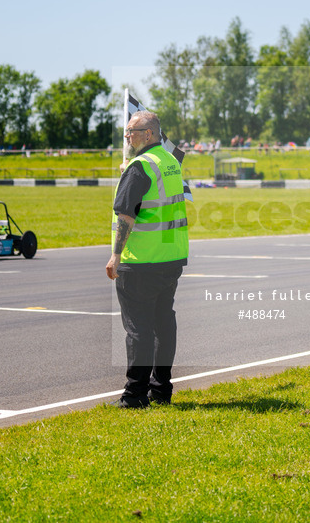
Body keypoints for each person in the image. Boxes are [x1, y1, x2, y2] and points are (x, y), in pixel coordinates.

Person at [105, 111, 189, 409]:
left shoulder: (140, 168)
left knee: (138, 329)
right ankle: (160, 389)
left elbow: (126, 215)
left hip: (141, 260)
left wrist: (116, 255)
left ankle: (135, 394)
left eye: (131, 131)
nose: (127, 136)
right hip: (170, 257)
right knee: (163, 323)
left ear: (149, 134)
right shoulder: (169, 161)